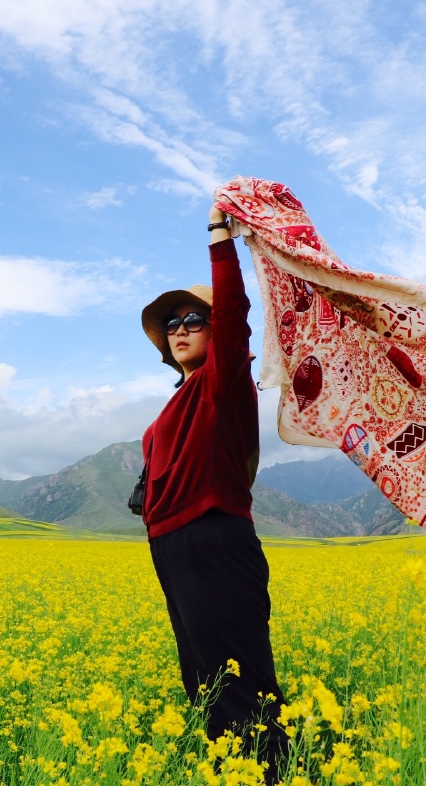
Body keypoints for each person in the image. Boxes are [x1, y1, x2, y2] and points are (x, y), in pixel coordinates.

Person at [138, 205, 288, 783]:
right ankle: (235, 774)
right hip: (174, 546)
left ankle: (275, 774)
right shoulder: (182, 397)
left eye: (192, 320)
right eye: (172, 322)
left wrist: (219, 237)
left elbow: (233, 316)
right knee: (203, 682)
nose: (180, 329)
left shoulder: (224, 380)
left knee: (237, 682)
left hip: (213, 540)